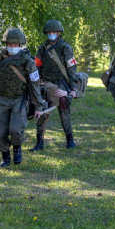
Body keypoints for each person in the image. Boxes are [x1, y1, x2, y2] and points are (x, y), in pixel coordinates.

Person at [0, 28, 44, 167]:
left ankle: (17, 149)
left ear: (20, 45)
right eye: (10, 45)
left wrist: (38, 106)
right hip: (2, 100)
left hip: (19, 100)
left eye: (15, 45)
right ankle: (5, 156)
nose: (12, 47)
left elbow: (34, 85)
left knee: (16, 130)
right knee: (1, 130)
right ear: (5, 44)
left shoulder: (28, 61)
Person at [30, 20, 78, 151]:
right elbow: (36, 67)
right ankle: (39, 142)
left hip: (61, 84)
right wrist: (36, 84)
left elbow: (72, 69)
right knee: (42, 111)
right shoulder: (42, 48)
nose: (51, 35)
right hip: (46, 83)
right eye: (49, 33)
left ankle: (70, 140)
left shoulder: (66, 48)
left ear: (58, 33)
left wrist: (73, 89)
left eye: (54, 32)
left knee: (64, 112)